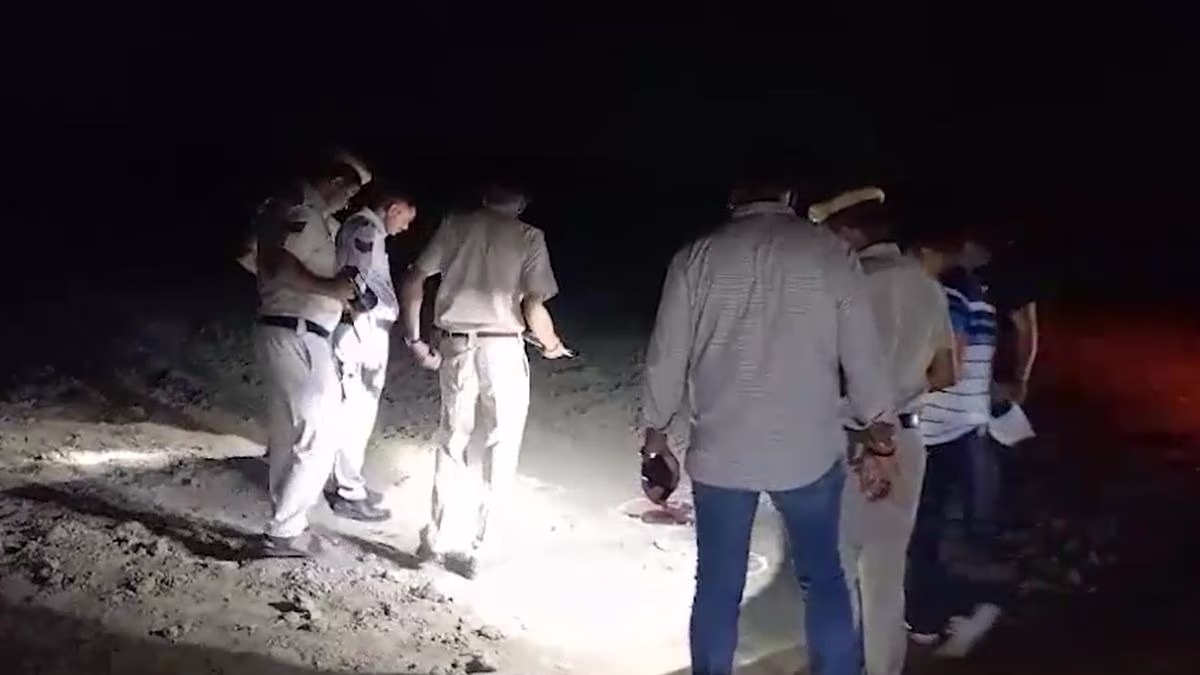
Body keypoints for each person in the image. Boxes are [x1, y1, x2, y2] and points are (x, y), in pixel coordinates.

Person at [640, 168, 896, 675]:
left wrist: (655, 433)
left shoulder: (696, 256)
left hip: (722, 450)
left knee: (717, 586)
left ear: (734, 194)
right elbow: (862, 354)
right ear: (789, 193)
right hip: (809, 450)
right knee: (824, 580)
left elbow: (667, 354)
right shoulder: (829, 253)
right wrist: (880, 432)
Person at [815, 187, 959, 675]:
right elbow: (947, 374)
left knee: (834, 569)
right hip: (906, 442)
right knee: (886, 574)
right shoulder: (928, 288)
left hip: (846, 440)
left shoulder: (843, 287)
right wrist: (902, 389)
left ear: (849, 232)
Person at [400, 182, 570, 579]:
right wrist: (551, 344)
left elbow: (415, 278)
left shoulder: (455, 226)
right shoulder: (528, 236)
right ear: (522, 201)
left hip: (457, 344)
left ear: (485, 195)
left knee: (452, 439)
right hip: (503, 347)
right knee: (501, 443)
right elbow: (533, 303)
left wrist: (414, 337)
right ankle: (482, 546)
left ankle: (437, 539)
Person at [251, 151, 371, 557]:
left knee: (290, 437)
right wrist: (329, 289)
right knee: (321, 436)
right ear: (335, 181)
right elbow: (277, 265)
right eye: (349, 192)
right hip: (298, 333)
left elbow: (254, 256)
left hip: (290, 329)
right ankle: (284, 530)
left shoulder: (300, 214)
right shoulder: (301, 212)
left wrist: (333, 296)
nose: (349, 201)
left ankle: (287, 524)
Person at [907, 227, 1004, 655]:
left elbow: (949, 366)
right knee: (950, 527)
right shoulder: (977, 291)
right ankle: (945, 612)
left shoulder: (948, 292)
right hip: (967, 422)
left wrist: (895, 386)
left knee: (928, 529)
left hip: (939, 427)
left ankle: (931, 619)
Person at [323, 182, 418, 522]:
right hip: (362, 331)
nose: (405, 227)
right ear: (393, 209)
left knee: (353, 411)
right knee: (357, 414)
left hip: (363, 329)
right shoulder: (365, 229)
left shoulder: (365, 229)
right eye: (405, 219)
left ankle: (346, 483)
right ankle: (348, 491)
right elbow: (353, 281)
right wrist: (362, 329)